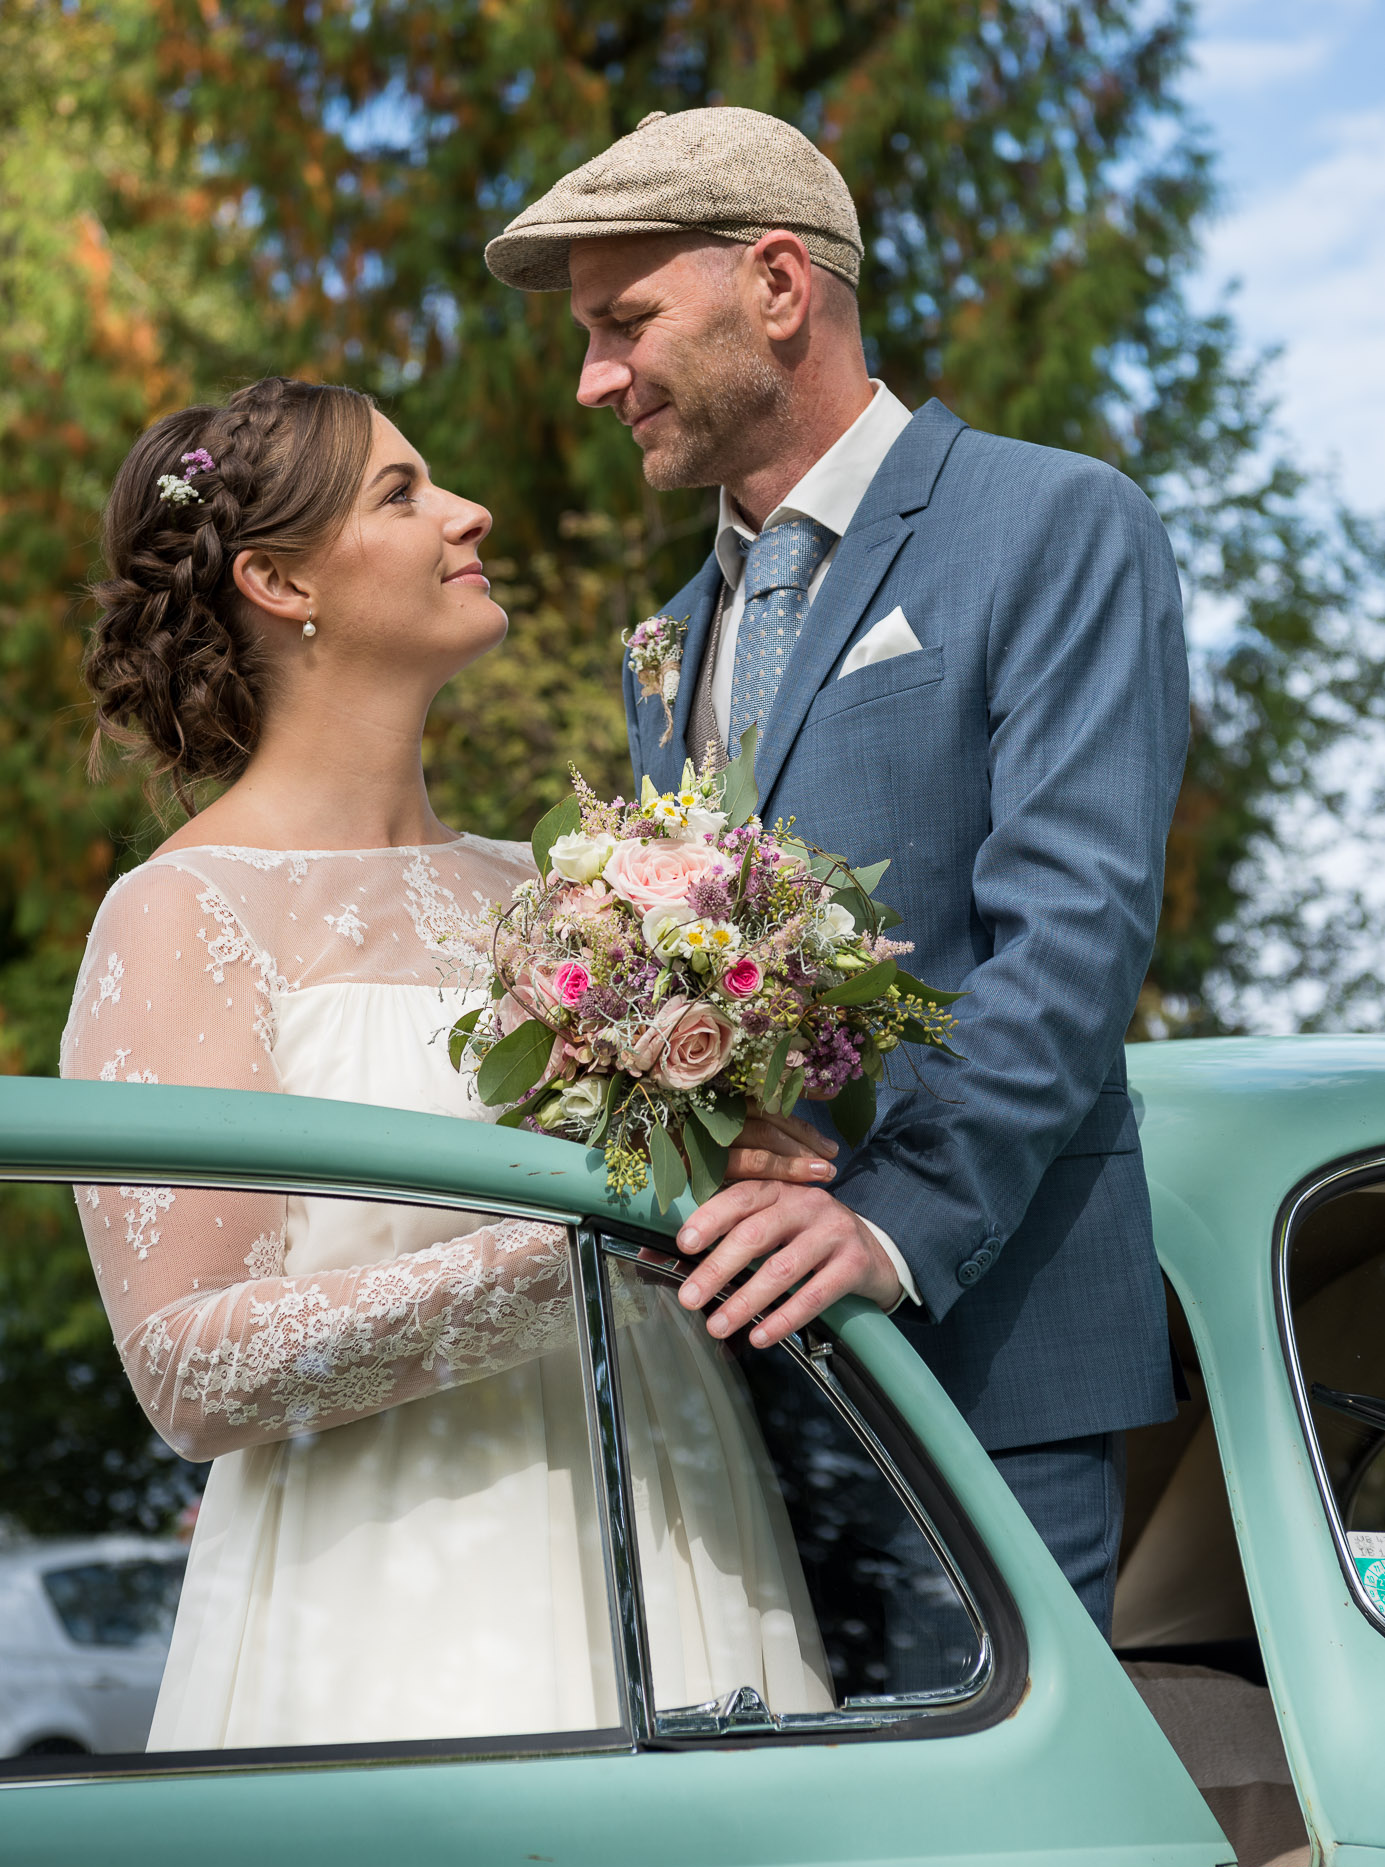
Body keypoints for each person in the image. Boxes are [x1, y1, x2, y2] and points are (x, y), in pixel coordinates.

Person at [484, 107, 1192, 1635]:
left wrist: (892, 1218)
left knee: (985, 1859)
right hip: (741, 1383)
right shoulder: (662, 639)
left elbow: (1072, 925)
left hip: (986, 1353)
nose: (596, 376)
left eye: (624, 322)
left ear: (781, 286)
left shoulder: (1056, 520)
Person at [61, 375, 831, 1748]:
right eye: (403, 493)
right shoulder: (185, 916)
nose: (470, 513)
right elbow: (188, 1373)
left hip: (679, 1522)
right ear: (279, 579)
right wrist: (596, 1236)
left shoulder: (562, 894)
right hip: (390, 1595)